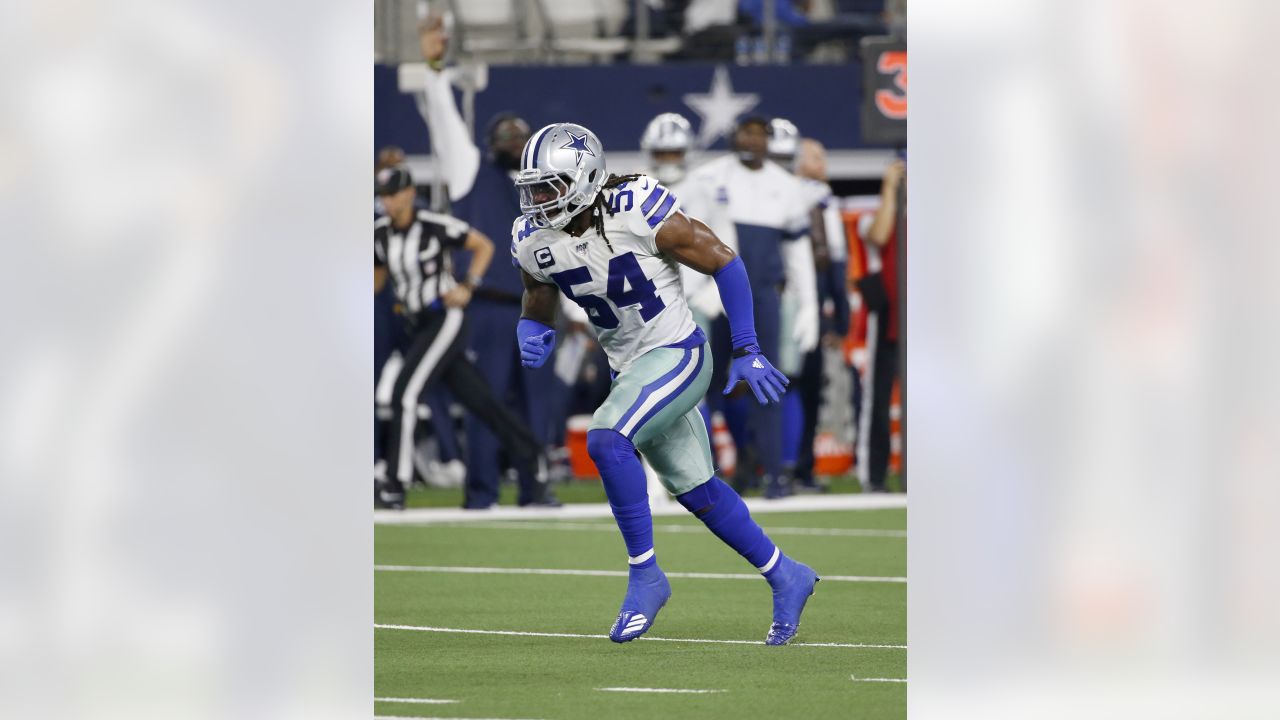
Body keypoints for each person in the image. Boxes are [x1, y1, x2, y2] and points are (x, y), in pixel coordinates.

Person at [512, 122, 820, 646]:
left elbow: (724, 259)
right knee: (698, 491)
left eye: (549, 187)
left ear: (584, 180)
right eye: (532, 188)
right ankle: (786, 573)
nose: (537, 200)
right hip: (629, 368)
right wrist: (532, 325)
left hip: (677, 352)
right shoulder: (532, 238)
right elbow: (539, 290)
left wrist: (746, 347)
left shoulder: (633, 207)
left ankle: (645, 575)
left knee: (607, 439)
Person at [413, 17, 560, 507]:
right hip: (489, 308)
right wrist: (435, 69)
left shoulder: (549, 191)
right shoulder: (470, 172)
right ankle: (481, 493)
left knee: (535, 403)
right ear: (490, 145)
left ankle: (535, 487)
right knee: (485, 402)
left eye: (521, 138)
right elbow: (445, 123)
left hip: (537, 306)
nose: (513, 143)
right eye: (505, 137)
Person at [374, 166, 543, 510]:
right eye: (384, 196)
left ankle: (395, 483)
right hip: (415, 323)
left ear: (407, 193)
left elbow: (483, 245)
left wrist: (468, 285)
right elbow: (377, 278)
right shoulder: (379, 234)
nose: (388, 202)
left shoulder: (434, 225)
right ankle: (533, 459)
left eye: (393, 194)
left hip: (444, 317)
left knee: (404, 393)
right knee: (481, 401)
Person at [679, 115, 818, 498]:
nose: (751, 140)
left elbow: (797, 250)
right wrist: (695, 288)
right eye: (745, 132)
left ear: (769, 141)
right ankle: (701, 476)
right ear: (733, 136)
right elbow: (684, 237)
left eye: (758, 134)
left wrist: (808, 304)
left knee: (765, 381)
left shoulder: (786, 186)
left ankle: (774, 475)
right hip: (714, 293)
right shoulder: (707, 177)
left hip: (762, 296)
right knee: (702, 384)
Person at [856, 158, 905, 493]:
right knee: (878, 398)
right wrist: (890, 189)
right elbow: (880, 234)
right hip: (889, 314)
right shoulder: (871, 217)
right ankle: (874, 475)